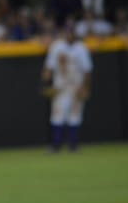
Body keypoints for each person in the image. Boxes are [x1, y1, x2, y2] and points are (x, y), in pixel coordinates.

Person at [40, 23, 93, 153]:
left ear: (74, 33)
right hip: (60, 87)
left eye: (71, 32)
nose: (69, 35)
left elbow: (87, 70)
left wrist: (86, 87)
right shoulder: (57, 46)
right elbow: (49, 67)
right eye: (67, 32)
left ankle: (73, 145)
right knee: (57, 115)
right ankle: (56, 145)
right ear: (64, 33)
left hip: (76, 86)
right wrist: (45, 83)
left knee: (75, 116)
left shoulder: (81, 48)